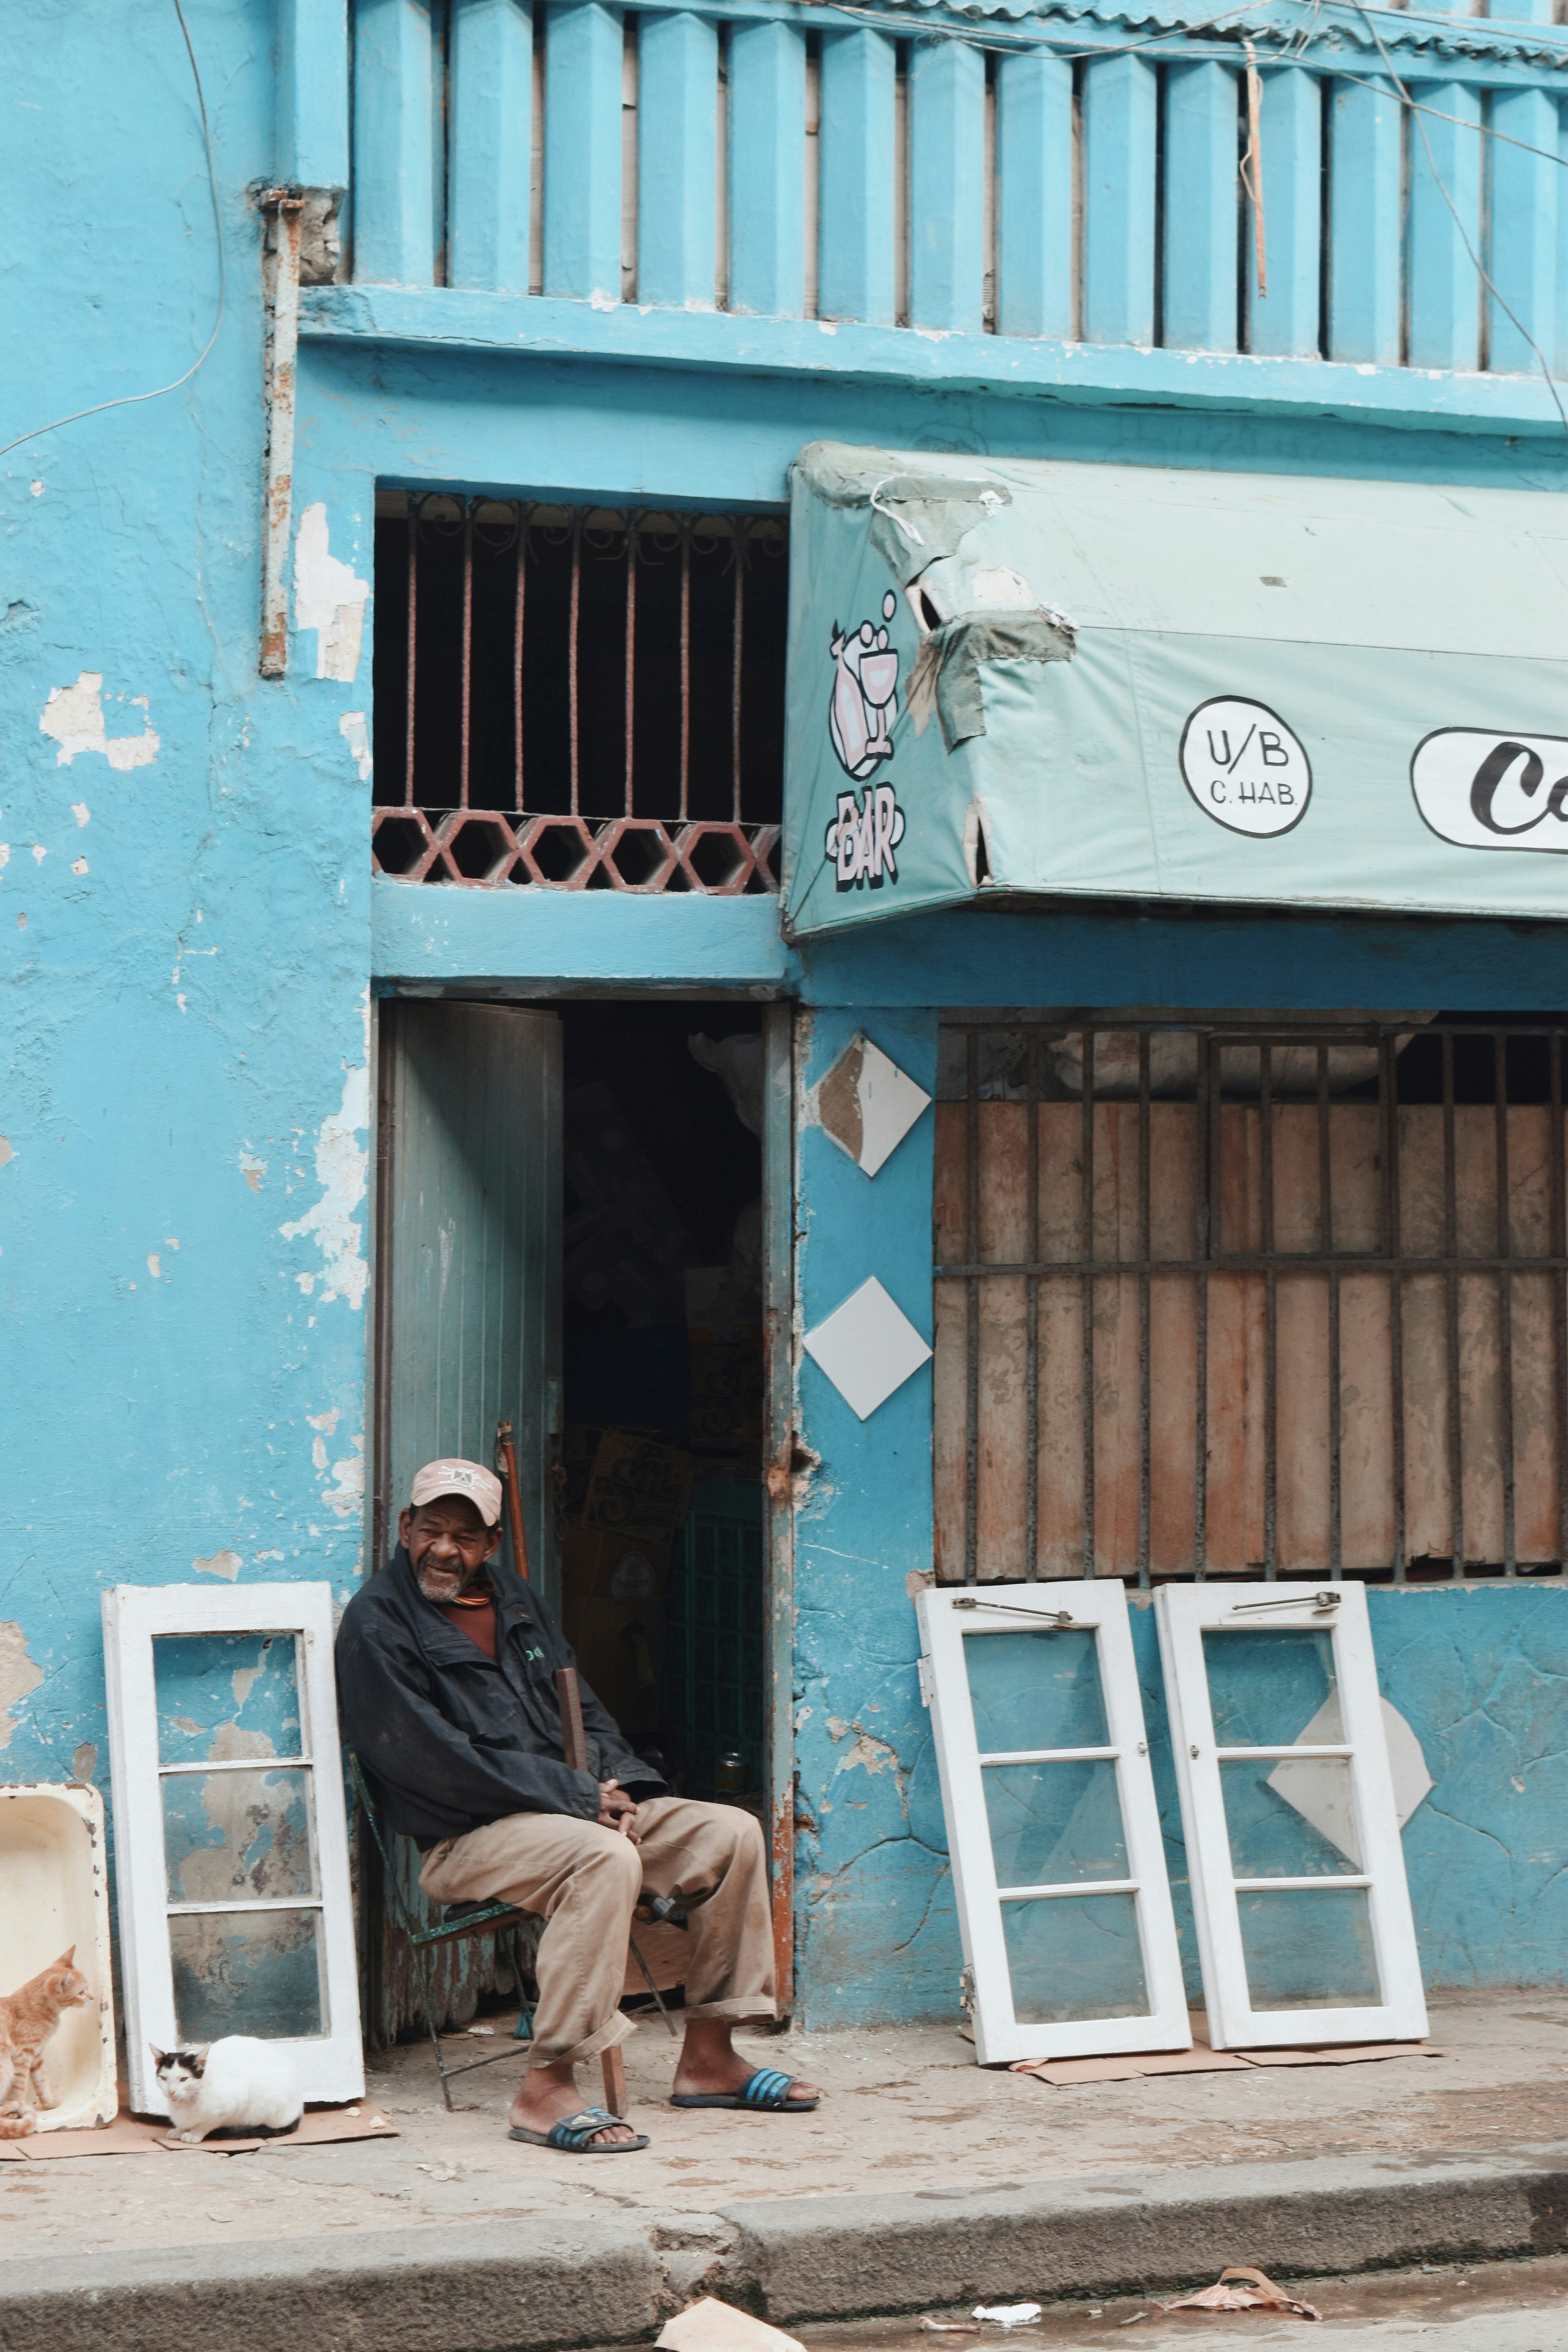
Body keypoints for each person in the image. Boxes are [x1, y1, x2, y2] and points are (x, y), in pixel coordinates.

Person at [335, 1456, 819, 2152]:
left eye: (466, 1537)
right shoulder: (377, 1623)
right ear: (405, 1528)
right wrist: (577, 1797)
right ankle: (547, 2086)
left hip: (573, 1810)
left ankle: (710, 2059)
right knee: (603, 1856)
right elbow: (434, 1760)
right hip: (469, 1839)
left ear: (491, 1544)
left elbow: (581, 1708)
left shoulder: (516, 1600)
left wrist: (618, 1788)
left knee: (731, 1832)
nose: (446, 1548)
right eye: (432, 1529)